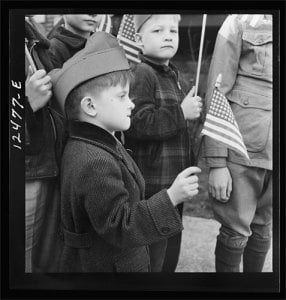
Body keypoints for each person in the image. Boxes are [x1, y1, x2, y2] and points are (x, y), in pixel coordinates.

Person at [49, 31, 201, 272]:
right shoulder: (93, 161)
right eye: (122, 96)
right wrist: (171, 197)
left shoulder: (95, 144)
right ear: (89, 106)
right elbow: (121, 225)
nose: (131, 103)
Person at [123, 15, 202, 272]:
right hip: (153, 186)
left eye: (173, 30)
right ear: (139, 40)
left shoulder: (171, 74)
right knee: (154, 257)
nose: (168, 35)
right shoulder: (142, 72)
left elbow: (175, 131)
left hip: (174, 182)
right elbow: (137, 122)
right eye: (157, 30)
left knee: (170, 255)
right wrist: (181, 113)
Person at [203, 14, 272, 272]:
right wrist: (218, 161)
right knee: (235, 231)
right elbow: (217, 90)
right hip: (241, 148)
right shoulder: (240, 21)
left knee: (264, 226)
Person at [25, 16, 64, 272]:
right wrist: (27, 104)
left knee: (36, 259)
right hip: (23, 175)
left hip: (44, 166)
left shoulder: (32, 34)